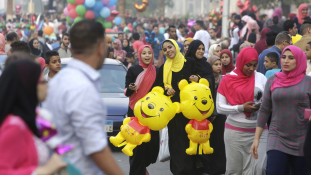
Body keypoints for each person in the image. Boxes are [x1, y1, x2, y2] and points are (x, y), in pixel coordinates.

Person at [42, 20, 125, 175]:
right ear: (101, 48)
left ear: (72, 48)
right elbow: (96, 148)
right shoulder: (82, 87)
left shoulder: (59, 80)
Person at [0, 59, 67, 175]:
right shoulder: (14, 126)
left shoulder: (36, 117)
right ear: (28, 87)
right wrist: (42, 171)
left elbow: (59, 147)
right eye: (42, 82)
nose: (47, 86)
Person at [251, 45, 310, 175]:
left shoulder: (308, 82)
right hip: (277, 138)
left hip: (303, 140)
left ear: (299, 60)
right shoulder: (273, 80)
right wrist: (256, 139)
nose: (286, 61)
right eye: (283, 57)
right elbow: (264, 110)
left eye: (291, 58)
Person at [217, 47, 268, 174]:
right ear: (240, 62)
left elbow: (269, 101)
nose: (251, 68)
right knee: (235, 171)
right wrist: (241, 108)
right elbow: (219, 107)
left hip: (260, 132)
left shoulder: (261, 78)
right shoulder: (228, 79)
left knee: (259, 169)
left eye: (255, 65)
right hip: (235, 133)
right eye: (248, 65)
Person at [155, 39, 200, 175]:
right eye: (165, 50)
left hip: (191, 111)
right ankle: (178, 171)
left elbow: (202, 77)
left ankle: (191, 170)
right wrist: (166, 90)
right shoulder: (164, 68)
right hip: (174, 112)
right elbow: (157, 87)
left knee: (190, 141)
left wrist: (196, 78)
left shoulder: (190, 62)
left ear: (176, 47)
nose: (168, 51)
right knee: (176, 143)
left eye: (170, 47)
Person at [184, 40, 218, 175]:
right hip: (189, 110)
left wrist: (199, 78)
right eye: (198, 48)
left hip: (204, 110)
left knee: (203, 139)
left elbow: (211, 85)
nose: (200, 51)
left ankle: (201, 167)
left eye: (203, 48)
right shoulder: (186, 63)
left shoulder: (205, 65)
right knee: (190, 139)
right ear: (192, 49)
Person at [125, 45, 159, 175]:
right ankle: (137, 171)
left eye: (149, 53)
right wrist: (132, 88)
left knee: (153, 146)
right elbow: (127, 92)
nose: (146, 55)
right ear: (139, 55)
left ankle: (142, 166)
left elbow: (160, 90)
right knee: (137, 145)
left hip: (152, 113)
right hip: (135, 111)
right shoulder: (133, 70)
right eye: (144, 53)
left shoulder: (156, 70)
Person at [205, 55, 227, 175]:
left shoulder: (223, 79)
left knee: (219, 141)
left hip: (220, 115)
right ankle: (209, 167)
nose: (219, 66)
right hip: (208, 115)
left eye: (220, 64)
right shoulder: (206, 80)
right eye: (216, 64)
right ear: (210, 65)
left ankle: (219, 168)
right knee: (210, 141)